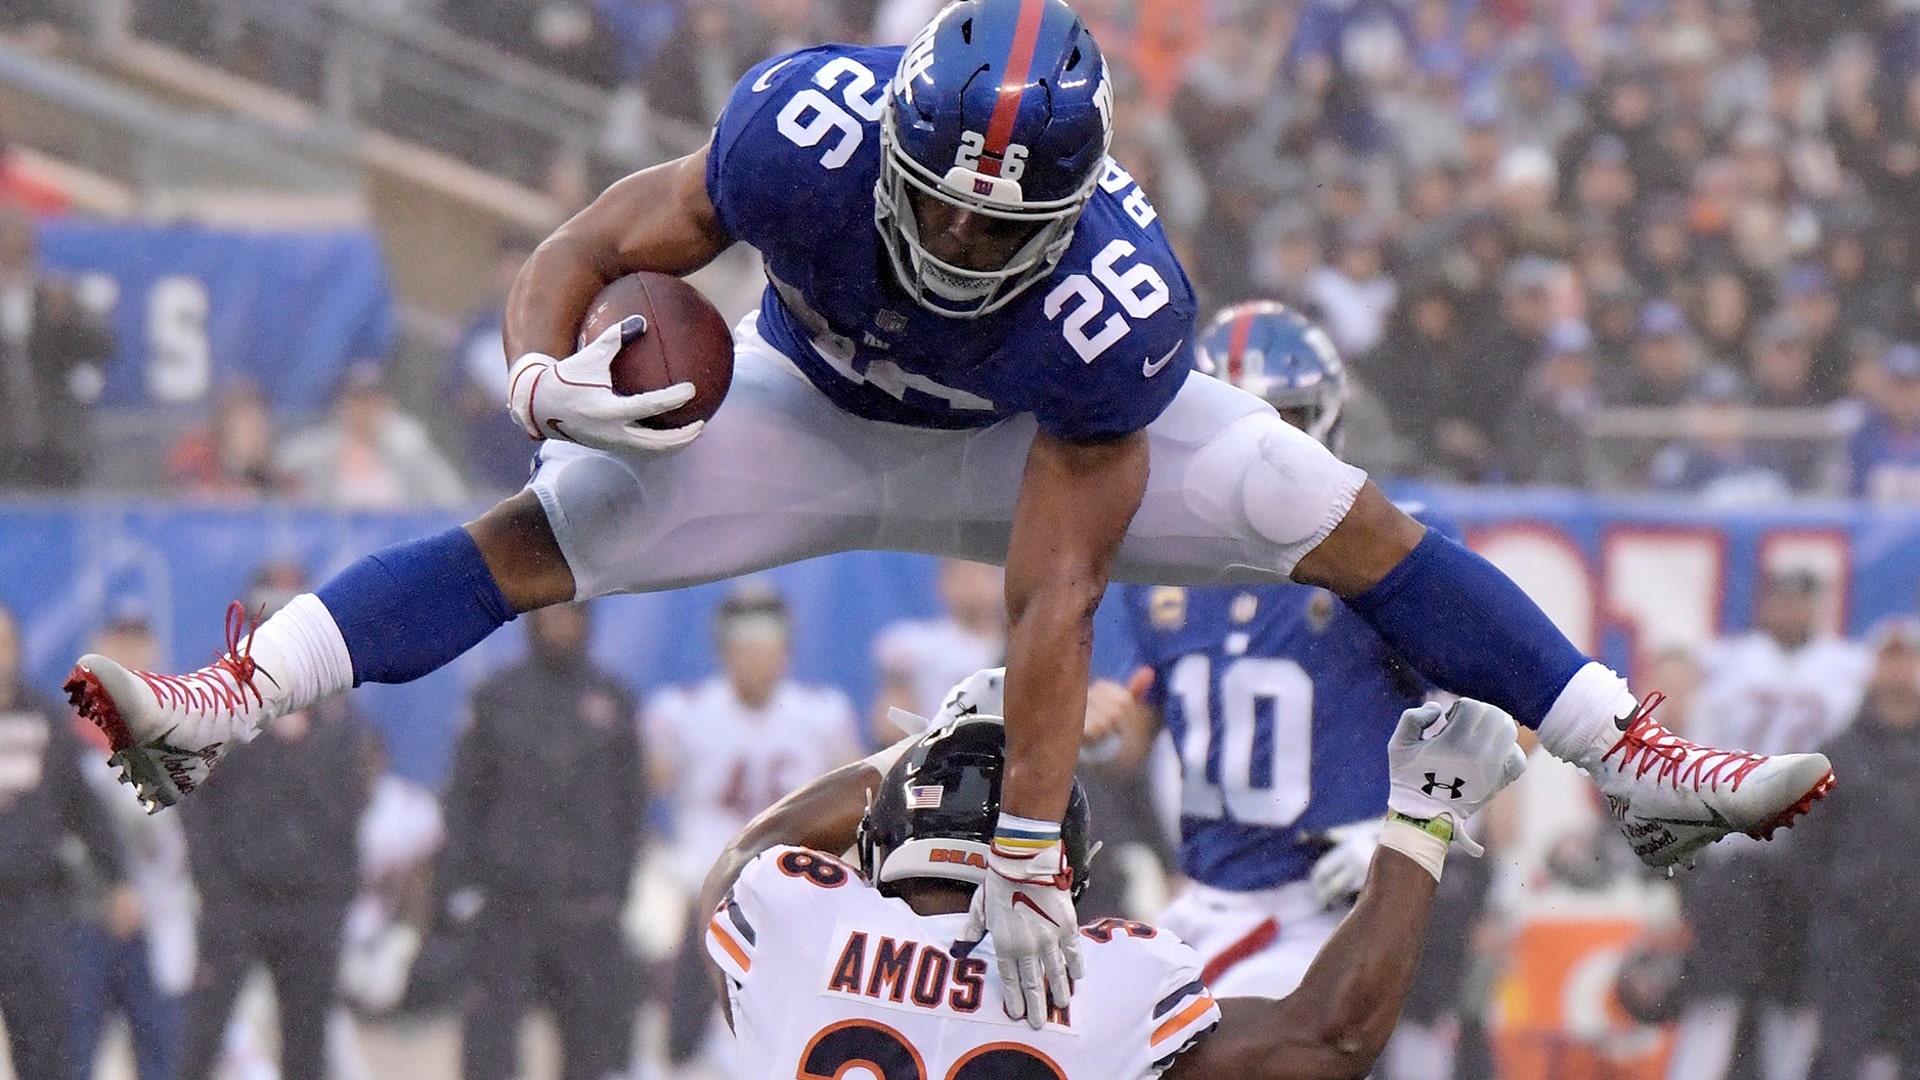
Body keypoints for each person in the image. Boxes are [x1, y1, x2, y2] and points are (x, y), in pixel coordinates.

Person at [69, 0, 1834, 1026]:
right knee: (545, 525)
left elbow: (1049, 601)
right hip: (810, 404)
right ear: (894, 147)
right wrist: (540, 376)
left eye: (1011, 228)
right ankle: (237, 696)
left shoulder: (1113, 304)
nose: (968, 243)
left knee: (1327, 500)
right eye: (948, 207)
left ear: (1076, 214)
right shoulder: (802, 133)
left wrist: (1020, 850)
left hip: (1021, 438)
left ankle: (1630, 754)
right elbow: (596, 240)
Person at [695, 686, 1526, 1079]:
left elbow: (751, 851)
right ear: (1062, 862)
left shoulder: (799, 926)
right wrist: (1423, 818)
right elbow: (1332, 1037)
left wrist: (917, 752)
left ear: (881, 834)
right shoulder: (1111, 983)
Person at [1083, 300, 1449, 998]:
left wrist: (1407, 833)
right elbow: (1134, 738)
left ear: (1328, 421)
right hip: (1203, 899)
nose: (1268, 457)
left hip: (1325, 901)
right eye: (1243, 431)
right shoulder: (1161, 563)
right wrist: (1095, 729)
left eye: (1285, 425)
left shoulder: (1385, 545)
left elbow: (1500, 722)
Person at [1662, 568, 1871, 1080]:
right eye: (1783, 598)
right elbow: (1684, 747)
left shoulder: (1849, 667)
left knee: (1794, 1002)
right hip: (1736, 855)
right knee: (1713, 997)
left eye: (1802, 599)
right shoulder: (1724, 660)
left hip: (1807, 860)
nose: (1791, 610)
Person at [174, 565, 381, 1080]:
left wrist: (335, 887)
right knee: (202, 1035)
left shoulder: (334, 701)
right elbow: (194, 801)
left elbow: (354, 794)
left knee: (307, 1043)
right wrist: (215, 886)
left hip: (311, 902)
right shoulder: (217, 701)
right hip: (238, 898)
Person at [646, 582, 862, 1064]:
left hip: (793, 901)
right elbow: (637, 791)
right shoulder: (682, 711)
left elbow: (857, 807)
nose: (755, 658)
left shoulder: (822, 712)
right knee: (682, 1043)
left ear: (785, 649)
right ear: (723, 650)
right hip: (702, 897)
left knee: (791, 1037)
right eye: (743, 644)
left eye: (765, 643)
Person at [439, 601, 646, 1080]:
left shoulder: (613, 700)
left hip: (586, 905)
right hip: (509, 904)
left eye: (569, 614)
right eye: (548, 615)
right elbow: (466, 797)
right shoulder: (497, 698)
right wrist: (462, 885)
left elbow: (630, 806)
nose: (559, 625)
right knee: (490, 1047)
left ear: (587, 621)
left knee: (594, 1047)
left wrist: (617, 889)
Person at [0, 600, 134, 1080]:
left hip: (33, 909)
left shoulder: (45, 720)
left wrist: (120, 879)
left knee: (45, 1051)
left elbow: (85, 809)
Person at [69, 610, 192, 1080]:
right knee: (75, 1055)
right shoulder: (68, 739)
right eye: (118, 642)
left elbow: (191, 838)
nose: (128, 654)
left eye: (138, 641)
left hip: (159, 922)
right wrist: (109, 893)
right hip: (87, 920)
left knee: (162, 1055)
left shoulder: (180, 737)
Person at [1800, 619, 1920, 1077]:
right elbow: (1806, 848)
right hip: (1853, 934)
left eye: (1907, 657)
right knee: (1842, 1054)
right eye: (1890, 658)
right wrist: (1838, 905)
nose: (1899, 670)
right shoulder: (1839, 753)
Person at [0, 200, 115, 490]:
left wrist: (67, 319)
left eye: (19, 237)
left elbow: (103, 348)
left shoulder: (53, 292)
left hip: (57, 442)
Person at [870, 558, 1006, 743]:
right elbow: (890, 727)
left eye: (981, 575)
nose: (973, 584)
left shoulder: (1017, 649)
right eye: (963, 575)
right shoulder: (916, 643)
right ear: (942, 583)